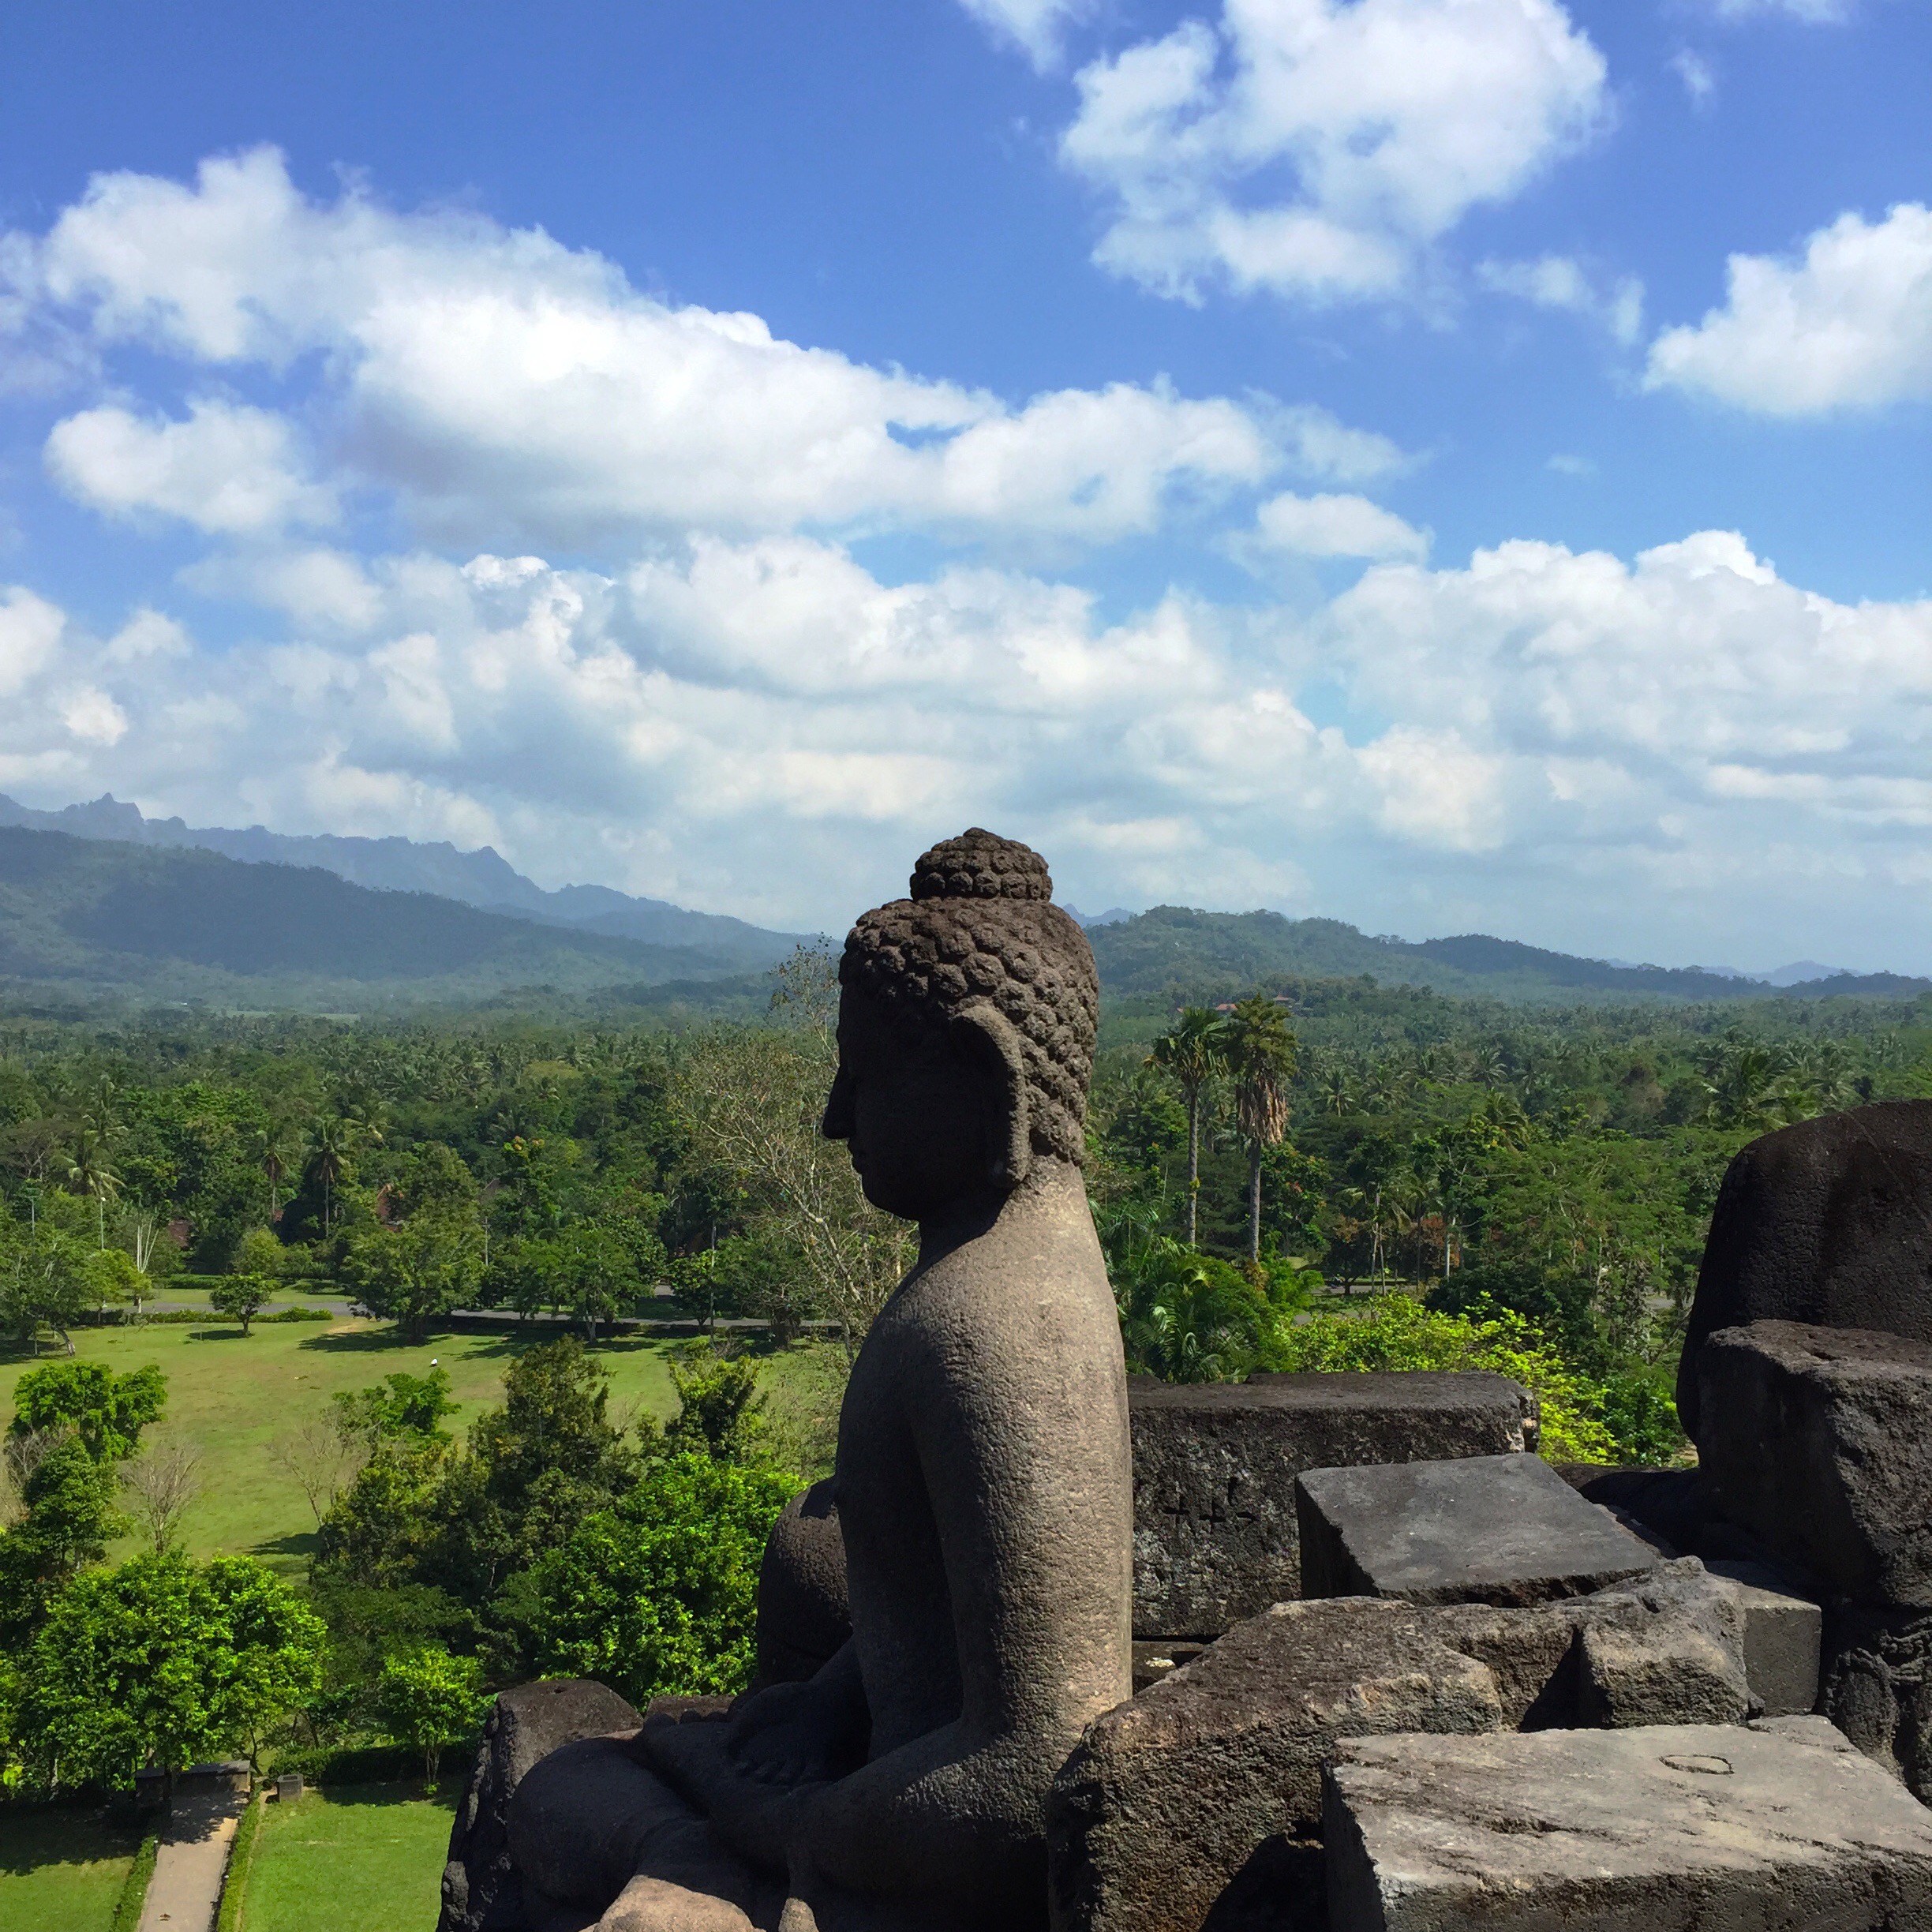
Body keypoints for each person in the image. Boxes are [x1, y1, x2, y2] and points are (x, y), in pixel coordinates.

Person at [507, 830, 1133, 1932]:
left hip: (924, 1859)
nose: (838, 1116)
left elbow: (1040, 1764)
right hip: (891, 1782)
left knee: (568, 1786)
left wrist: (791, 1826)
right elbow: (943, 1605)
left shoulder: (999, 1327)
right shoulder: (998, 1280)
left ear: (983, 1077)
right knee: (599, 1765)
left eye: (866, 1074)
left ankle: (684, 1860)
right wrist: (832, 1701)